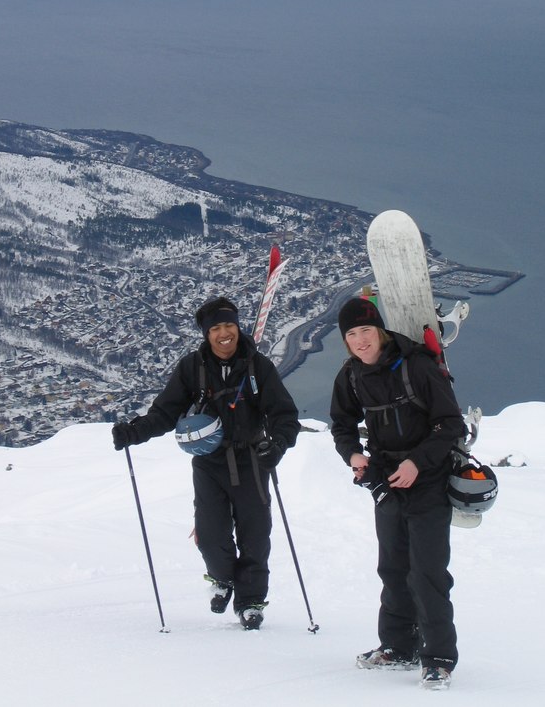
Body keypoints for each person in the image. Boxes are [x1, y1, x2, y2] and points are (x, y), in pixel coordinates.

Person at [112, 295, 300, 630]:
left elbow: (284, 414)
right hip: (209, 462)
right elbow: (165, 412)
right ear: (205, 333)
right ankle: (223, 577)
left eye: (229, 325)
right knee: (212, 536)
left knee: (255, 534)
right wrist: (134, 433)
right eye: (215, 328)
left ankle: (250, 600)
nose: (224, 333)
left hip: (252, 459)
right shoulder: (192, 368)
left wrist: (279, 445)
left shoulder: (259, 367)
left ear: (237, 325)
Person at [330, 296, 466, 690]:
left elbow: (450, 424)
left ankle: (438, 657)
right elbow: (341, 425)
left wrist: (418, 463)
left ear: (381, 331)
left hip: (427, 481)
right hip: (386, 482)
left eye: (366, 331)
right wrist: (352, 454)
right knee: (393, 568)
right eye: (351, 334)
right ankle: (397, 646)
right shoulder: (351, 376)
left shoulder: (417, 367)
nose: (360, 341)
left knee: (427, 572)